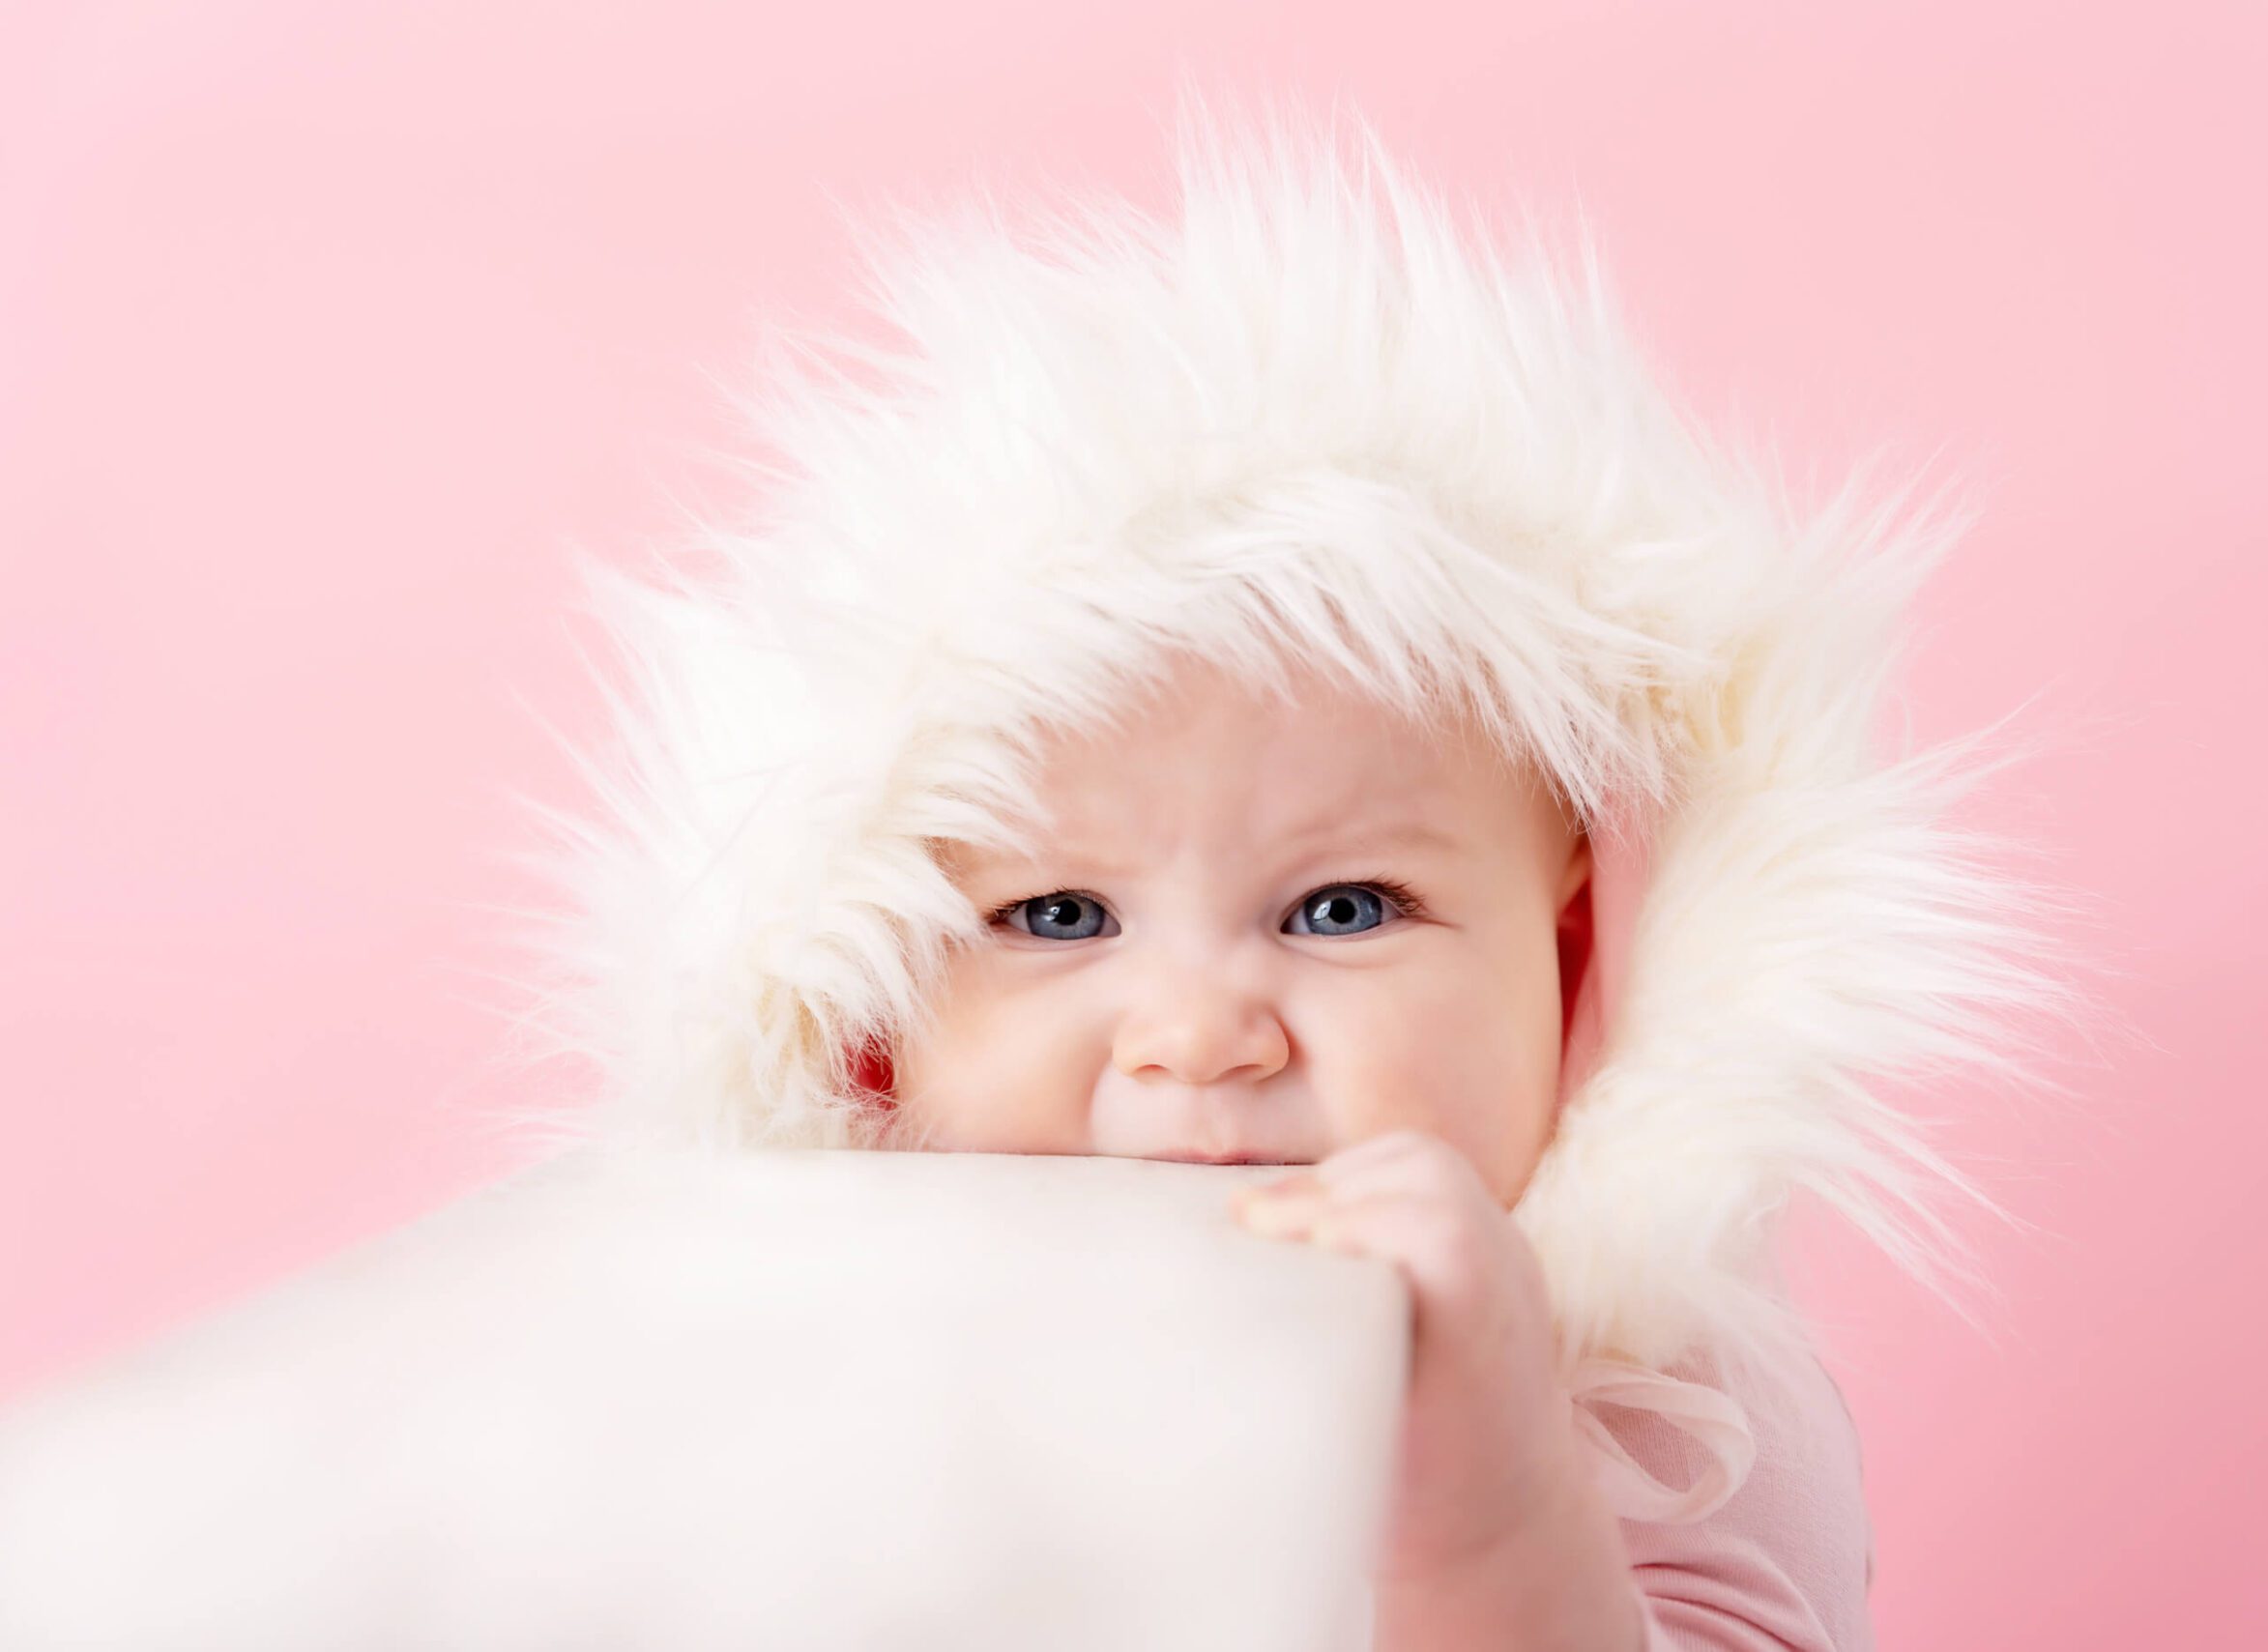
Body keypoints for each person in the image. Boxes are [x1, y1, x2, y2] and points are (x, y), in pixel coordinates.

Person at [507, 88, 2061, 1651]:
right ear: (864, 1023)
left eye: (1342, 908)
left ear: (1582, 963)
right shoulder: (833, 1366)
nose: (1198, 1034)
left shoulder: (1666, 1400)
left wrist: (1492, 1502)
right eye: (1057, 914)